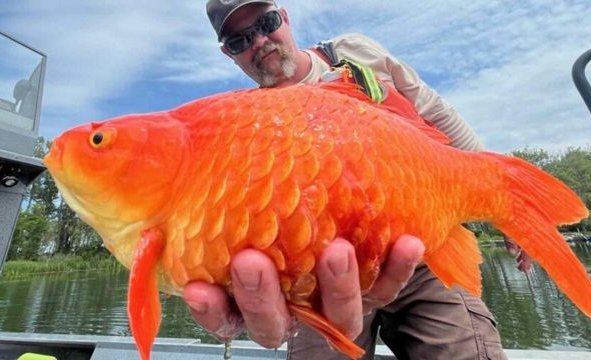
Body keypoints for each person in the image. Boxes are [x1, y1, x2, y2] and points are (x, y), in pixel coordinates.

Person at [186, 1, 528, 358]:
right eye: (241, 40)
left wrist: (502, 195)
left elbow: (435, 111)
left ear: (284, 17)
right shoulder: (245, 127)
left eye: (266, 23)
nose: (260, 41)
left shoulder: (352, 52)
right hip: (320, 285)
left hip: (424, 254)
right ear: (230, 54)